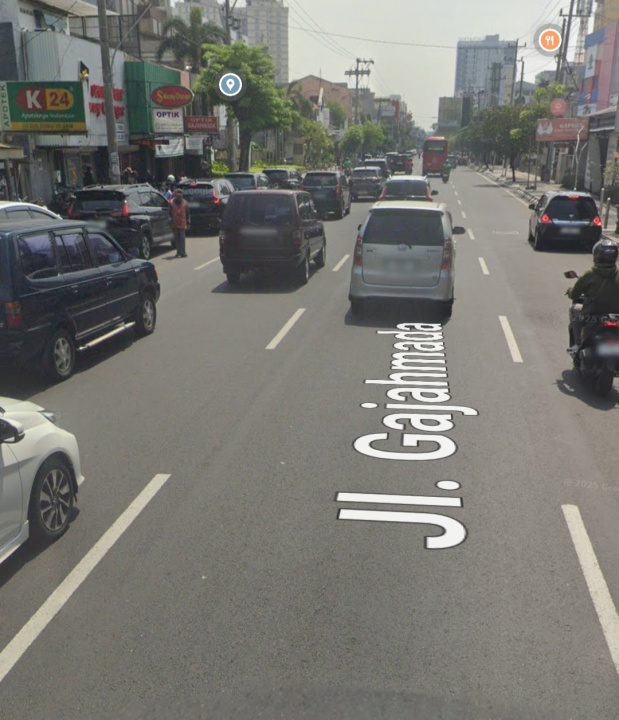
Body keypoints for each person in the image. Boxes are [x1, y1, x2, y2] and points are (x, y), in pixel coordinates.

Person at [568, 239, 619, 349]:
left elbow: (573, 295)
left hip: (593, 317)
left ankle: (577, 344)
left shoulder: (589, 274)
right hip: (616, 317)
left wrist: (570, 291)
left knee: (574, 309)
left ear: (596, 256)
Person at [169, 188, 190, 258]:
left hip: (182, 223)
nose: (179, 197)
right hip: (174, 223)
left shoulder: (185, 203)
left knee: (182, 237)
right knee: (177, 238)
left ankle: (183, 252)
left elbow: (187, 213)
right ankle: (178, 252)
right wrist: (170, 221)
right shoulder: (171, 202)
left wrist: (188, 222)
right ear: (175, 196)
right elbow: (169, 213)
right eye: (177, 196)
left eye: (180, 196)